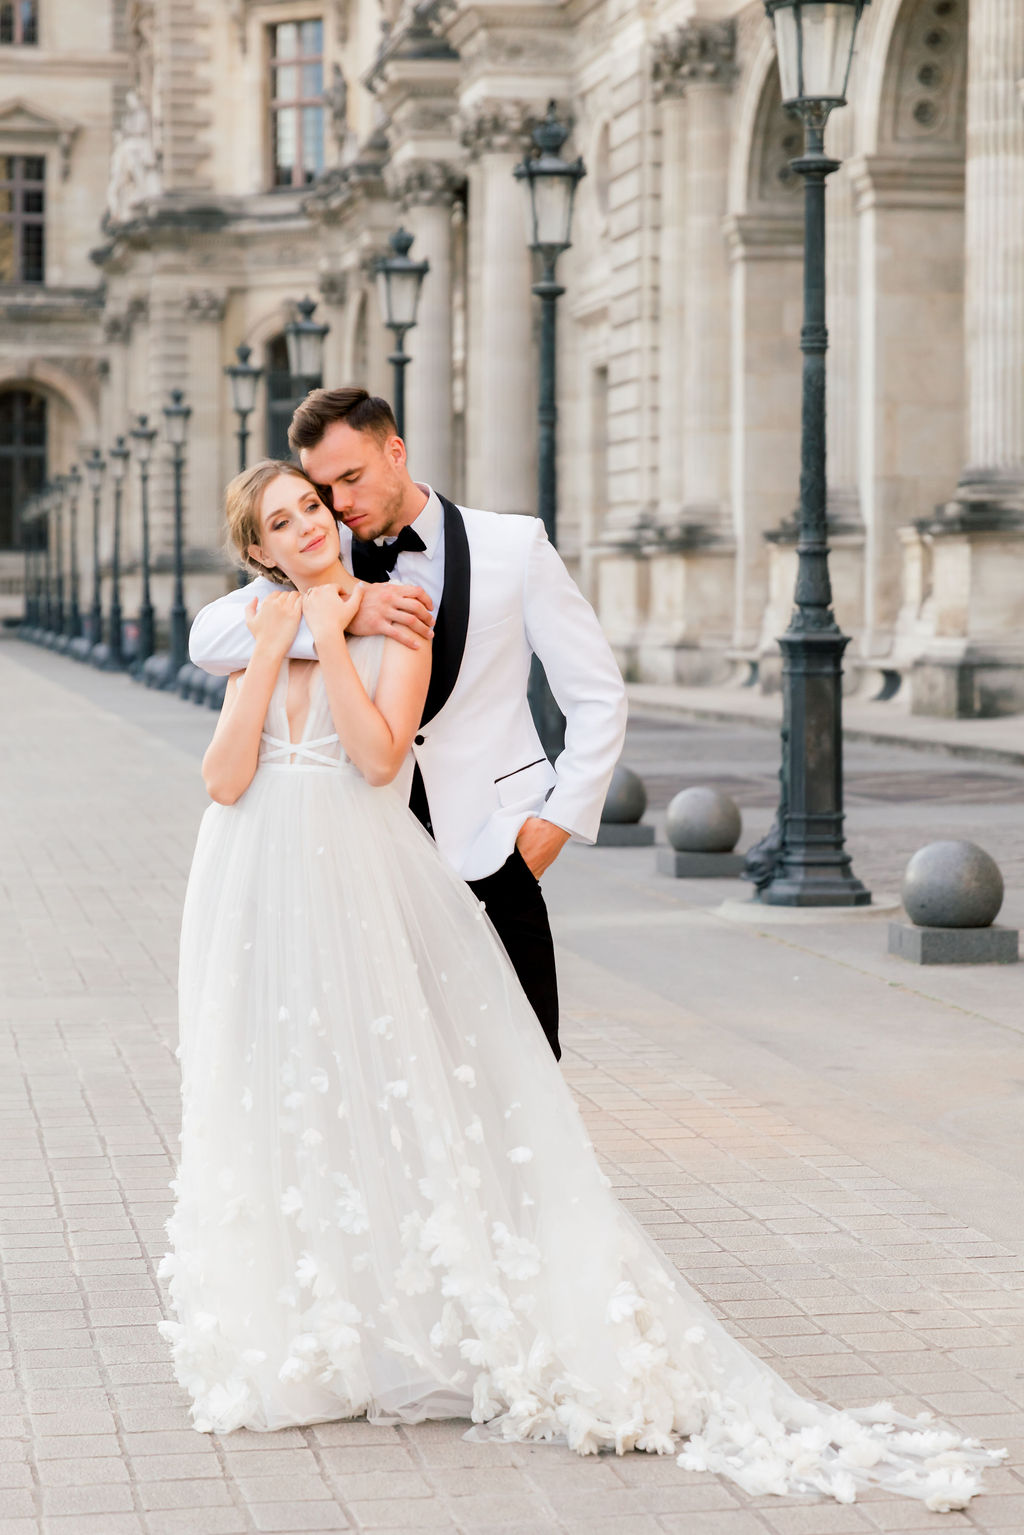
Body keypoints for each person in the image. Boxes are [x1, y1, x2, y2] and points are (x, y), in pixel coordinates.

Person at [160, 460, 1000, 1512]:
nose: (309, 528)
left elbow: (379, 759)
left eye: (314, 509)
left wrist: (332, 633)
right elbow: (222, 775)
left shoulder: (396, 624)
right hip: (249, 876)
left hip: (358, 870)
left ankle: (416, 1324)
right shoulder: (251, 628)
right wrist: (288, 630)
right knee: (279, 1088)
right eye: (282, 523)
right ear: (260, 550)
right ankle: (317, 1337)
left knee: (387, 1078)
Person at [188, 388, 628, 1061]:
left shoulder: (512, 545)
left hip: (491, 845)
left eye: (351, 478)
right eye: (324, 488)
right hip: (359, 865)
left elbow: (596, 694)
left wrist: (556, 824)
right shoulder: (319, 558)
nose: (337, 504)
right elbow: (210, 637)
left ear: (396, 451)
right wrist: (346, 615)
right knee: (395, 1083)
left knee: (523, 1066)